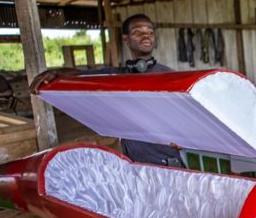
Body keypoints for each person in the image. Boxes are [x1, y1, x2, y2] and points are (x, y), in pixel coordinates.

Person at [30, 13, 185, 167]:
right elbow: (81, 75)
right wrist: (54, 73)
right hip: (131, 159)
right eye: (138, 32)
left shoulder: (169, 76)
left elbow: (185, 116)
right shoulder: (118, 75)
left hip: (167, 161)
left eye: (150, 32)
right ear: (126, 39)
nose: (146, 36)